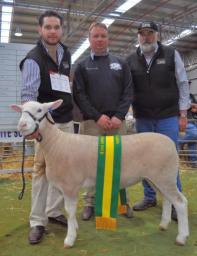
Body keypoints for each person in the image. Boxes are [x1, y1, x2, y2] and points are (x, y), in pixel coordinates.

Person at [126, 21, 190, 220]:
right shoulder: (130, 59)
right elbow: (128, 89)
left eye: (150, 33)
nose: (146, 37)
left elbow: (183, 83)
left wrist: (183, 114)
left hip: (168, 117)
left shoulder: (171, 54)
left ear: (157, 35)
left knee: (169, 159)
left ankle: (174, 201)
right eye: (142, 33)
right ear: (138, 37)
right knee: (145, 160)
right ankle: (150, 196)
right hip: (143, 117)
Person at [20, 11, 74, 244]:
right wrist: (33, 127)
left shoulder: (66, 53)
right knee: (41, 171)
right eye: (48, 27)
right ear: (40, 30)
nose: (53, 31)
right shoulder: (33, 58)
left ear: (61, 30)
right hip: (45, 127)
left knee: (62, 170)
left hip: (65, 121)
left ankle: (54, 211)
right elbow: (28, 95)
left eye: (56, 27)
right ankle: (37, 221)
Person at [73, 22, 133, 220]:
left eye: (103, 36)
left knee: (120, 161)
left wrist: (119, 116)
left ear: (109, 38)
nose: (99, 39)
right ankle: (90, 202)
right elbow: (79, 95)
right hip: (92, 123)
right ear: (89, 39)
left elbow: (128, 92)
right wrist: (97, 116)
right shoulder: (82, 66)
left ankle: (122, 203)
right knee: (91, 163)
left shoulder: (121, 63)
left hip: (118, 122)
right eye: (96, 36)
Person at [179, 92, 197, 168]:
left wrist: (193, 106)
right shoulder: (177, 94)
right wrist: (191, 105)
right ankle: (176, 142)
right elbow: (182, 106)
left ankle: (193, 162)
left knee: (193, 141)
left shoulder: (190, 95)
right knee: (195, 134)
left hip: (193, 120)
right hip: (182, 121)